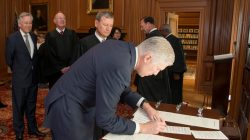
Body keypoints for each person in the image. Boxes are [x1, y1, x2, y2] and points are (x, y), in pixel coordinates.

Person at [44, 37, 175, 140]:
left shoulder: (122, 49)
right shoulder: (120, 66)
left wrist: (146, 106)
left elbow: (120, 88)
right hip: (68, 108)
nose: (156, 73)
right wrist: (143, 128)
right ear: (148, 58)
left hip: (74, 102)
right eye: (158, 68)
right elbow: (105, 119)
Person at [5, 12, 45, 140]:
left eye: (30, 22)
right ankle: (19, 132)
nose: (28, 25)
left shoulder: (33, 36)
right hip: (20, 79)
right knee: (19, 107)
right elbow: (9, 59)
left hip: (33, 79)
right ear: (19, 24)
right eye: (26, 22)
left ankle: (33, 129)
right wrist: (19, 71)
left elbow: (34, 58)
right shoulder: (12, 38)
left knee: (31, 105)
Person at [77, 11, 114, 140]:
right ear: (96, 23)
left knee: (107, 126)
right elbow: (77, 71)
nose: (108, 28)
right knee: (92, 128)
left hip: (109, 93)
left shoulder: (113, 43)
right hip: (90, 93)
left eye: (110, 25)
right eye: (105, 24)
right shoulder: (84, 43)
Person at [134, 16, 172, 104]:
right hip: (155, 73)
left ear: (148, 24)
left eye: (142, 26)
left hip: (151, 75)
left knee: (149, 98)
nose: (141, 29)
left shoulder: (154, 36)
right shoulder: (156, 35)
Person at [43, 11, 79, 89]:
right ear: (54, 21)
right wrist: (60, 68)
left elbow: (76, 51)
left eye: (64, 18)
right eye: (59, 18)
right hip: (55, 72)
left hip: (70, 70)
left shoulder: (72, 34)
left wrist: (70, 66)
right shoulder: (50, 35)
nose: (62, 20)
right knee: (56, 92)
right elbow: (49, 54)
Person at [159, 24, 187, 104]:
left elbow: (179, 57)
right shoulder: (169, 39)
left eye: (160, 31)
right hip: (171, 70)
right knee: (171, 89)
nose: (160, 33)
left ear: (165, 31)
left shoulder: (174, 40)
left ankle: (175, 105)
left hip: (175, 71)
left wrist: (177, 72)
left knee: (175, 90)